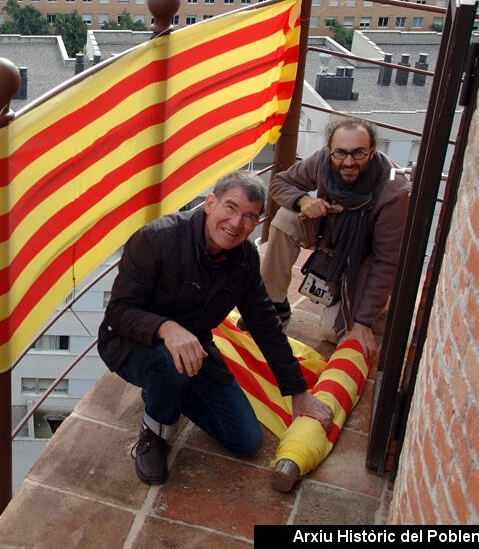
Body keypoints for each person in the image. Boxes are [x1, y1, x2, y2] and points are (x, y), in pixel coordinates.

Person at [98, 170, 333, 485]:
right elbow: (117, 313)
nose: (237, 223)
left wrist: (297, 392)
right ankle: (155, 432)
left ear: (256, 224)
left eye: (249, 216)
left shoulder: (245, 259)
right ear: (210, 203)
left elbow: (265, 324)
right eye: (231, 207)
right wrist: (166, 328)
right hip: (129, 344)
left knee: (245, 441)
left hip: (195, 345)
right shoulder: (156, 238)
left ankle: (165, 388)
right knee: (170, 364)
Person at [261, 118, 410, 358]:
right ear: (330, 150)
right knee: (286, 218)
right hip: (328, 236)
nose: (349, 162)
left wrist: (363, 321)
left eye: (358, 153)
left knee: (332, 333)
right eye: (341, 153)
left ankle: (379, 301)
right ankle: (273, 302)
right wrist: (304, 201)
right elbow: (280, 183)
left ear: (372, 152)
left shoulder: (394, 192)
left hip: (362, 257)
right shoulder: (323, 160)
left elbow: (386, 262)